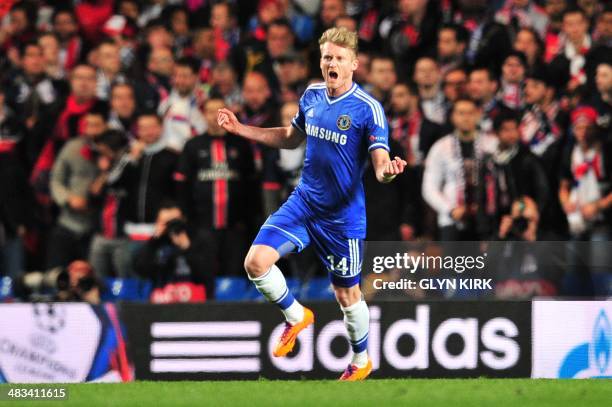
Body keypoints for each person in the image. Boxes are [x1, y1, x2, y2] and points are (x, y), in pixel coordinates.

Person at [216, 27, 406, 381]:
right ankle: (295, 315)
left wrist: (388, 172)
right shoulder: (311, 96)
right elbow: (291, 138)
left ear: (354, 63)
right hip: (303, 204)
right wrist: (243, 130)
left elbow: (380, 162)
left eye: (338, 58)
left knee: (347, 294)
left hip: (342, 218)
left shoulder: (368, 109)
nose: (331, 63)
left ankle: (361, 359)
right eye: (326, 57)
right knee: (256, 263)